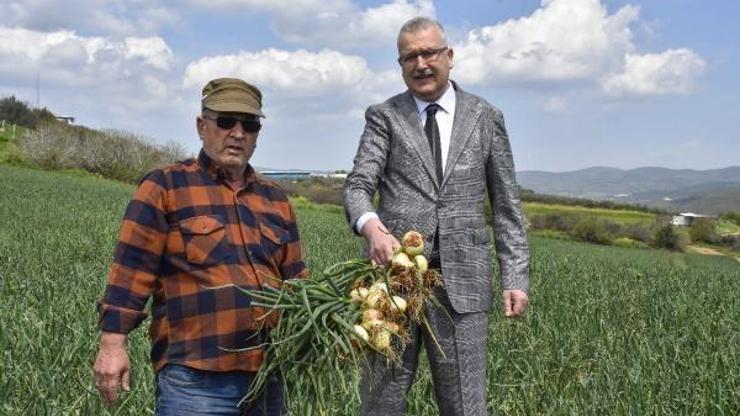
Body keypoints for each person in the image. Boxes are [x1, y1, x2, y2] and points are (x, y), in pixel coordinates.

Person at [343, 17, 530, 415]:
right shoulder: (384, 116)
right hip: (393, 286)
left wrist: (515, 276)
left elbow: (506, 204)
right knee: (381, 404)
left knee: (465, 406)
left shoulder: (485, 116)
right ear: (401, 65)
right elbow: (358, 185)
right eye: (410, 56)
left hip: (463, 287)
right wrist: (372, 227)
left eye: (429, 53)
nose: (421, 63)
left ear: (450, 56)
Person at [93, 78, 306, 415]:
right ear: (201, 126)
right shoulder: (166, 185)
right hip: (195, 379)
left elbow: (298, 284)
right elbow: (130, 271)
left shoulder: (275, 199)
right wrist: (112, 346)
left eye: (249, 124)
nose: (238, 132)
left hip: (268, 376)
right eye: (226, 121)